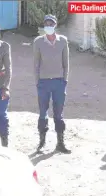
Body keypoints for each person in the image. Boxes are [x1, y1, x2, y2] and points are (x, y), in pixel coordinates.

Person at [33, 14, 71, 154]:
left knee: (58, 114)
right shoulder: (38, 41)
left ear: (55, 25)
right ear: (44, 25)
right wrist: (38, 81)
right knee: (43, 114)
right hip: (43, 82)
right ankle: (42, 143)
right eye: (46, 23)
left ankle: (60, 143)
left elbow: (66, 63)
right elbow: (36, 64)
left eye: (51, 23)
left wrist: (64, 80)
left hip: (59, 82)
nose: (49, 26)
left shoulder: (63, 41)